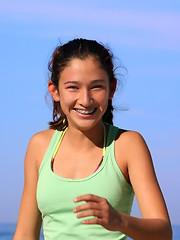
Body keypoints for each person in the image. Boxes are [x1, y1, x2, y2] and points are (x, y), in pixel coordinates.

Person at [13, 38, 172, 240]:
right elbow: (25, 234)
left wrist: (118, 221)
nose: (86, 100)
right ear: (55, 91)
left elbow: (164, 232)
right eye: (73, 87)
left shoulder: (128, 145)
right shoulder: (39, 146)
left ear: (112, 89)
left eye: (96, 87)